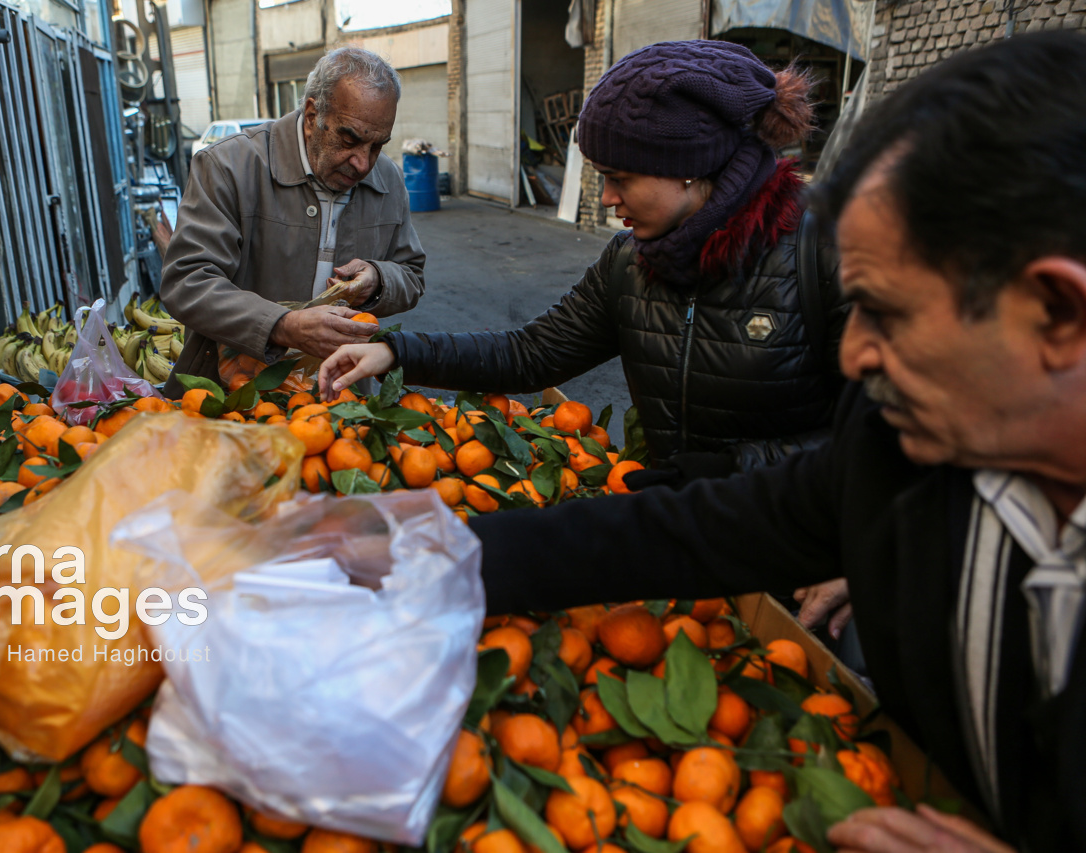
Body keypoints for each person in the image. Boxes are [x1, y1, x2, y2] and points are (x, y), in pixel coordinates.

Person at [470, 31, 1086, 852]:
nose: (857, 355)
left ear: (1056, 314)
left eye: (886, 313)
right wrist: (423, 550)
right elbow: (690, 530)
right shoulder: (903, 455)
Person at [320, 40, 853, 637]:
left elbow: (894, 437)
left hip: (812, 564)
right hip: (685, 550)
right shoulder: (633, 263)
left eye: (620, 178)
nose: (606, 199)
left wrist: (736, 467)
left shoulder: (824, 254)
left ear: (693, 163)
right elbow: (532, 353)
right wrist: (398, 351)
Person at [159, 47, 426, 398]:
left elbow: (411, 274)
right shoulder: (228, 166)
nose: (363, 164)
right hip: (228, 395)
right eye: (350, 139)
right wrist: (282, 326)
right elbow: (187, 281)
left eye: (377, 146)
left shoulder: (387, 179)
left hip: (337, 402)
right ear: (313, 115)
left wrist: (376, 279)